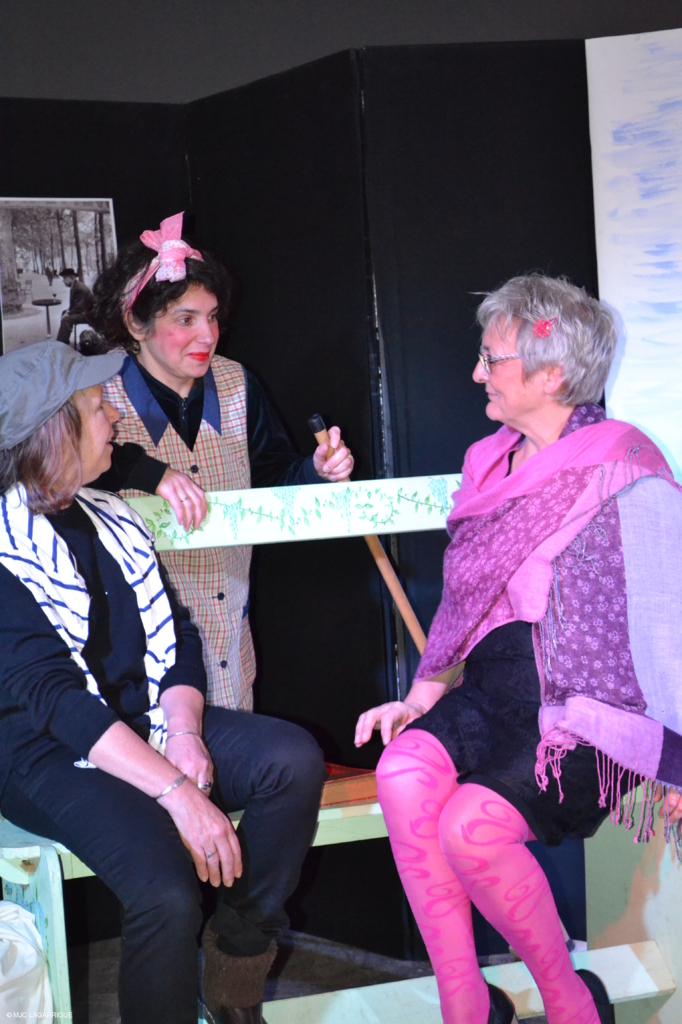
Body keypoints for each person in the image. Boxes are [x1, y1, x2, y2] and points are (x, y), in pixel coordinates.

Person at [355, 275, 682, 1024]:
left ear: (552, 374)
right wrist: (419, 697)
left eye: (491, 359)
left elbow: (670, 613)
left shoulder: (625, 462)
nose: (477, 373)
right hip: (494, 684)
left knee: (471, 831)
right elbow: (467, 603)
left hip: (589, 709)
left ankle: (571, 1002)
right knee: (402, 773)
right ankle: (467, 1006)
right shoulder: (487, 462)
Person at [0, 341, 327, 1024]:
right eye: (98, 407)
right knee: (166, 891)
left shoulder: (111, 514)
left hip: (144, 719)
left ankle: (235, 967)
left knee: (291, 760)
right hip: (44, 751)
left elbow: (177, 636)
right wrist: (176, 791)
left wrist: (183, 733)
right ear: (56, 431)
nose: (114, 418)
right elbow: (56, 701)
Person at [90, 212, 353, 710]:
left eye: (212, 317)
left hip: (230, 631)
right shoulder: (100, 396)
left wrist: (316, 471)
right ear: (136, 323)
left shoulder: (237, 384)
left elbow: (273, 476)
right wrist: (149, 472)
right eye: (185, 319)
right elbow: (67, 483)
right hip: (140, 651)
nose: (207, 335)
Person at [56, 268, 94, 343]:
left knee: (66, 319)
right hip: (85, 312)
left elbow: (79, 308)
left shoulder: (78, 288)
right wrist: (67, 312)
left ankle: (61, 342)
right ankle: (64, 339)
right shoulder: (75, 285)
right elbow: (75, 306)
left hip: (89, 315)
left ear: (71, 277)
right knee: (64, 314)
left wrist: (68, 313)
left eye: (65, 278)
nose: (63, 281)